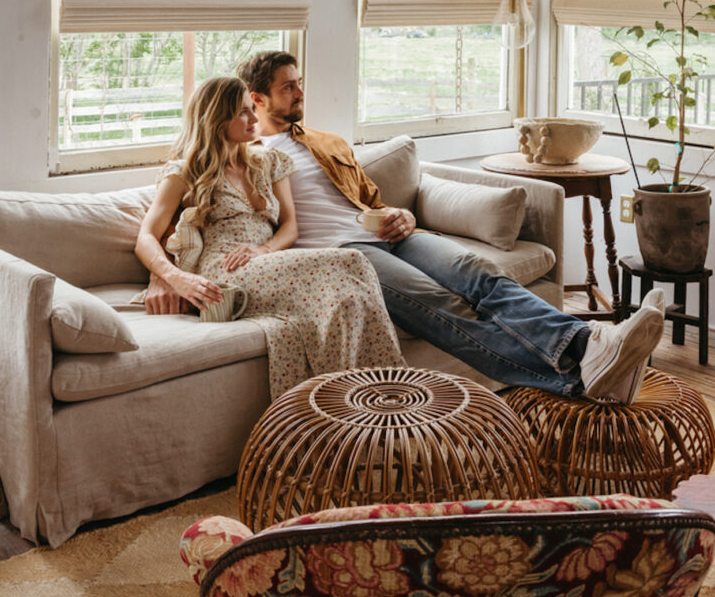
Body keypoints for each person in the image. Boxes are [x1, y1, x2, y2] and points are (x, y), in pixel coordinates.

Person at [237, 50, 665, 403]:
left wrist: (401, 215)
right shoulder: (248, 156)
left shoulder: (325, 141)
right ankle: (578, 376)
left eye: (299, 82)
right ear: (257, 98)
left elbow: (368, 197)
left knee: (479, 274)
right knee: (442, 305)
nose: (300, 93)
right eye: (287, 87)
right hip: (345, 256)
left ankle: (588, 344)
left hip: (391, 234)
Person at [135, 75, 405, 398]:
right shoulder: (185, 171)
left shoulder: (269, 162)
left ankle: (359, 400)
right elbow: (146, 238)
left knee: (347, 299)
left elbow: (290, 226)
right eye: (243, 113)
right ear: (217, 119)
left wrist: (263, 249)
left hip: (266, 260)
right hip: (225, 270)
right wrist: (175, 278)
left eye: (253, 109)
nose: (254, 119)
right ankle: (390, 393)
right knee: (351, 260)